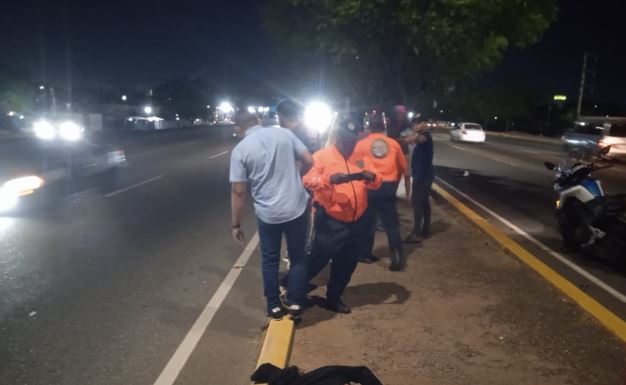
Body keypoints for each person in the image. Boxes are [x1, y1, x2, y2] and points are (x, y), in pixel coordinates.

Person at [229, 111, 313, 320]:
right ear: (258, 121)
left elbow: (239, 191)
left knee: (270, 259)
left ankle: (274, 306)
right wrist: (298, 176)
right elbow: (308, 159)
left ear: (238, 128)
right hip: (296, 206)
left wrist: (236, 224)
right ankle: (295, 301)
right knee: (298, 256)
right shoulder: (284, 134)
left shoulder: (240, 150)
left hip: (269, 213)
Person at [303, 120, 382, 313]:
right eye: (346, 140)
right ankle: (294, 287)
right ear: (337, 138)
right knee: (318, 258)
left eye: (353, 141)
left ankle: (334, 298)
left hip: (357, 220)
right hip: (331, 220)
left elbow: (376, 180)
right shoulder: (322, 157)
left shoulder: (361, 156)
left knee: (347, 262)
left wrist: (373, 179)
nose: (350, 145)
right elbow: (307, 180)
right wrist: (328, 180)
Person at [353, 114, 410, 271]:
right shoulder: (393, 144)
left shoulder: (361, 145)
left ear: (369, 127)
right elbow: (404, 168)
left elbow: (355, 166)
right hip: (388, 187)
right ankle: (397, 256)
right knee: (391, 223)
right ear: (384, 126)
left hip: (369, 187)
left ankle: (365, 254)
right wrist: (404, 187)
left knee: (367, 222)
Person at [404, 117, 434, 243]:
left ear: (424, 124)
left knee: (417, 203)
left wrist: (411, 137)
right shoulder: (422, 135)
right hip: (425, 174)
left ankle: (417, 232)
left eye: (418, 123)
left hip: (422, 175)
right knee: (424, 202)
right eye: (414, 123)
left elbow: (415, 139)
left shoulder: (425, 136)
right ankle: (425, 230)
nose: (415, 125)